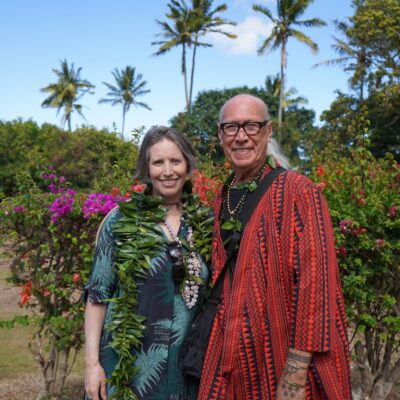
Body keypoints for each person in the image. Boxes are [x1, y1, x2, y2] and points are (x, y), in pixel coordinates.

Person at [198, 94, 352, 399]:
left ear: (268, 132)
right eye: (231, 128)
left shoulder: (298, 191)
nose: (241, 137)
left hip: (281, 357)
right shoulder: (222, 195)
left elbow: (317, 284)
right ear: (220, 135)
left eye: (251, 126)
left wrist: (295, 373)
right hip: (228, 357)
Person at [84, 126, 210, 400]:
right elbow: (97, 297)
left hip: (186, 371)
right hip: (129, 370)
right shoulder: (119, 221)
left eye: (175, 161)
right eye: (158, 162)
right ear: (146, 167)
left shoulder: (203, 224)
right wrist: (91, 364)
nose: (168, 171)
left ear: (188, 165)